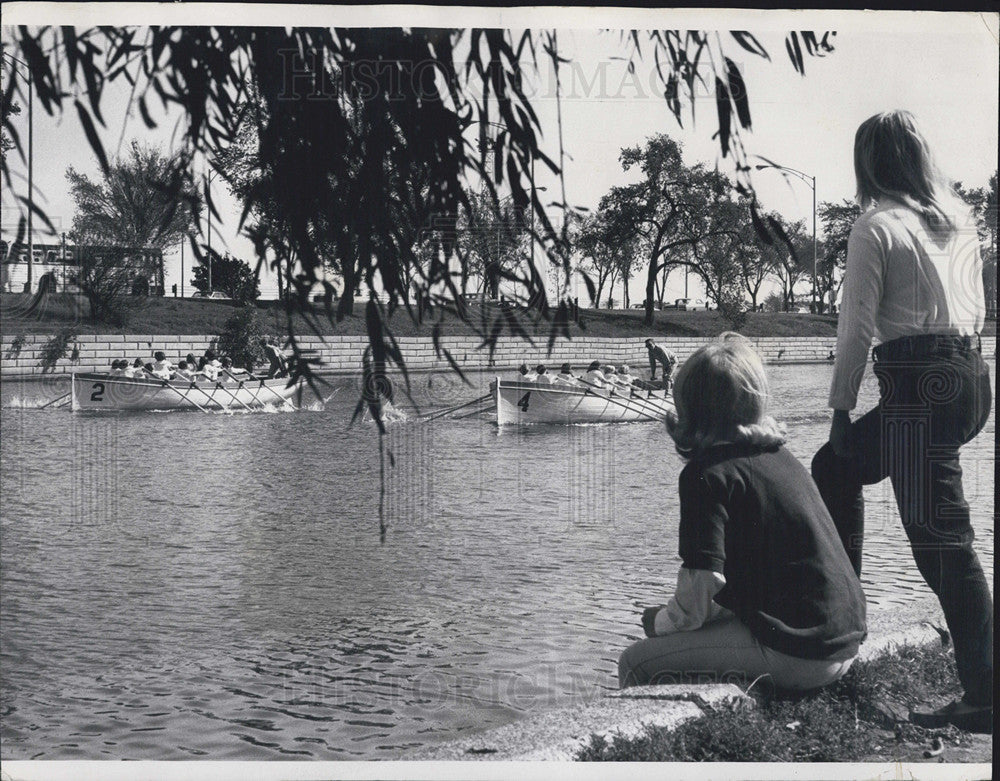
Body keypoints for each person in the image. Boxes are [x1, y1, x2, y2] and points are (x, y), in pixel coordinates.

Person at [810, 111, 992, 732]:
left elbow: (856, 329)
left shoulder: (874, 226)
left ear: (866, 165)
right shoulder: (960, 219)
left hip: (917, 388)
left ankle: (984, 695)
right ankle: (843, 609)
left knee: (943, 545)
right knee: (837, 470)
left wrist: (839, 409)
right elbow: (976, 312)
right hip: (969, 380)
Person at [618, 335, 866, 692]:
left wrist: (662, 622)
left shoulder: (707, 475)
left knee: (636, 660)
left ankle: (647, 742)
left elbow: (702, 584)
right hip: (843, 637)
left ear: (687, 406)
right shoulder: (781, 458)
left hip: (803, 652)